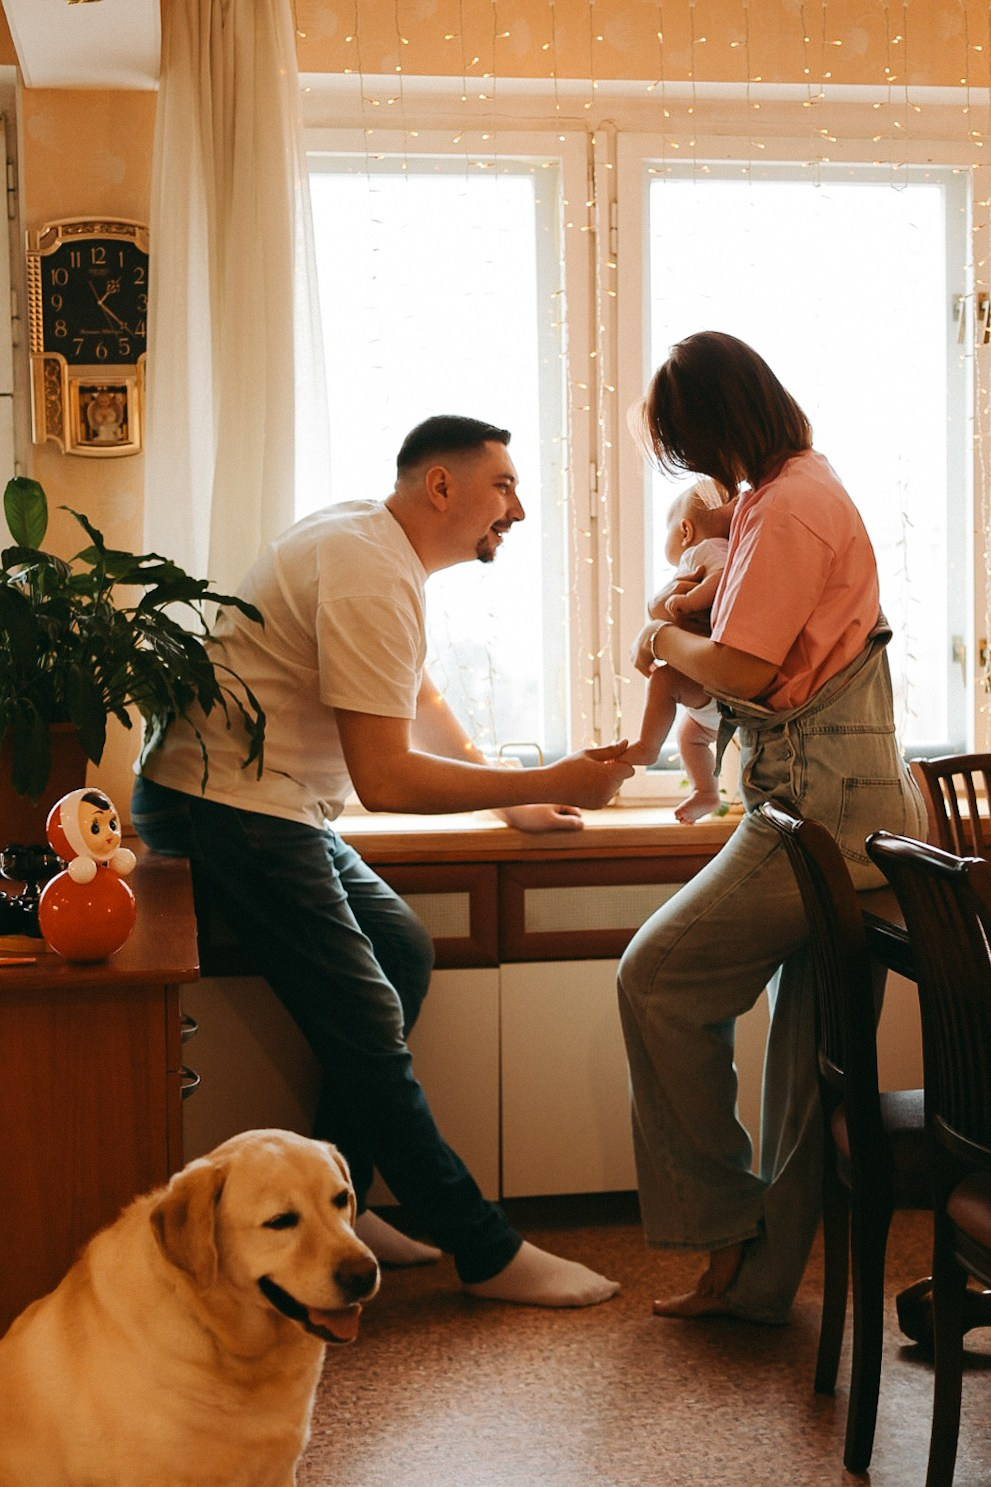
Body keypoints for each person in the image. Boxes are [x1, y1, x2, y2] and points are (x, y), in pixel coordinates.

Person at [131, 414, 634, 1309]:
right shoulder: (368, 566)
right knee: (366, 1015)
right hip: (228, 810)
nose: (516, 509)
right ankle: (484, 1249)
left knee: (400, 951)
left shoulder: (374, 546)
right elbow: (386, 775)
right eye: (504, 486)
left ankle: (345, 1205)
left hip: (266, 802)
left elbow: (419, 696)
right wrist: (552, 773)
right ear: (440, 485)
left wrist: (510, 791)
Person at [617, 331, 927, 1323]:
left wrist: (661, 636)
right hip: (841, 798)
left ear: (717, 423)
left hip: (817, 809)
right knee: (802, 1065)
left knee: (655, 978)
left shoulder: (788, 506)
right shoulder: (784, 490)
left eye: (690, 443)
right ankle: (755, 1280)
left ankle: (725, 1230)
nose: (695, 468)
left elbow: (747, 672)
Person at [622, 478, 734, 823]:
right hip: (714, 690)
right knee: (689, 735)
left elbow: (719, 577)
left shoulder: (706, 549)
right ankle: (705, 792)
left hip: (712, 682)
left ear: (685, 530)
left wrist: (687, 600)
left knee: (663, 680)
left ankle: (648, 745)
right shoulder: (724, 549)